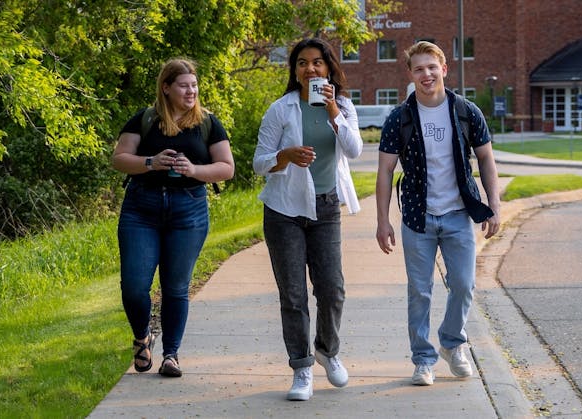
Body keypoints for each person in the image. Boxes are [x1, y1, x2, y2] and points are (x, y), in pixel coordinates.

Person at [374, 41, 501, 386]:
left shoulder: (466, 112)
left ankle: (451, 342)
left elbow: (486, 158)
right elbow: (385, 171)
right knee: (420, 290)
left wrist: (493, 206)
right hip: (418, 216)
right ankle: (423, 359)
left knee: (463, 284)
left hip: (459, 214)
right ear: (411, 74)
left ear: (444, 69)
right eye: (419, 68)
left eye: (432, 67)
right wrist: (382, 220)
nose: (426, 74)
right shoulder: (399, 118)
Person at [253, 38, 363, 401]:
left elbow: (355, 150)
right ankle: (301, 368)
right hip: (284, 211)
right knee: (294, 294)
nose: (310, 69)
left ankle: (327, 351)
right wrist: (283, 156)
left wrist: (333, 111)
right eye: (303, 63)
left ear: (329, 68)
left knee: (332, 288)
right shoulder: (280, 109)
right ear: (295, 71)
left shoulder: (343, 106)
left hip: (327, 207)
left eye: (318, 63)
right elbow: (259, 163)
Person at [110, 58, 234, 378]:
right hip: (141, 209)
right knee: (135, 287)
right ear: (166, 88)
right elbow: (120, 159)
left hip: (188, 209)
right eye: (183, 85)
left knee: (176, 287)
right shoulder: (145, 120)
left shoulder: (208, 123)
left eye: (194, 85)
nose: (190, 91)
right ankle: (142, 337)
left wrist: (193, 170)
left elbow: (226, 168)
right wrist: (151, 162)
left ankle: (171, 355)